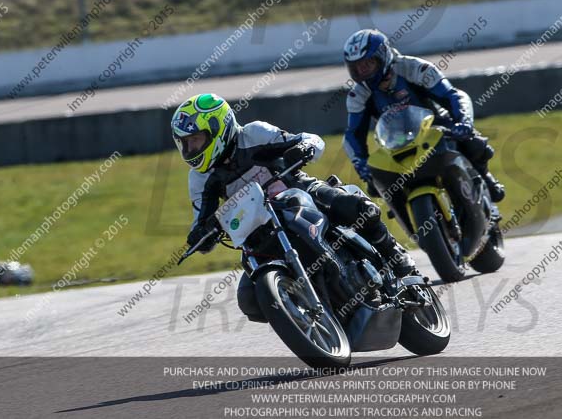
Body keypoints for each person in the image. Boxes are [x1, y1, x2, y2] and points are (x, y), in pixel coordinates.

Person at [170, 93, 418, 321]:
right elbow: (200, 220)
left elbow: (309, 140)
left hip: (299, 192)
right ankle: (305, 316)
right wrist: (201, 235)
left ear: (218, 129)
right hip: (258, 229)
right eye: (186, 144)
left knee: (360, 209)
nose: (191, 149)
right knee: (249, 298)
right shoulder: (199, 178)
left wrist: (303, 148)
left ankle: (397, 257)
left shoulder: (254, 134)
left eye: (195, 140)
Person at [342, 28, 505, 203]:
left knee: (474, 143)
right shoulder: (357, 95)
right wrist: (360, 163)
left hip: (437, 127)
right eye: (356, 68)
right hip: (394, 142)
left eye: (367, 64)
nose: (362, 72)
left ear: (382, 56)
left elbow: (453, 96)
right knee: (376, 183)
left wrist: (463, 122)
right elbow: (353, 134)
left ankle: (485, 178)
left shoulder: (414, 68)